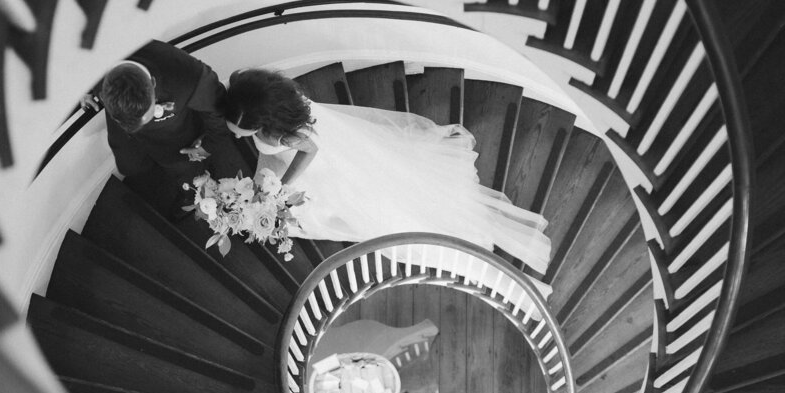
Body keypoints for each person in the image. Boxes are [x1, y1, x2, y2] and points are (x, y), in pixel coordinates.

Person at [222, 69, 552, 275]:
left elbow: (311, 149)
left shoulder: (285, 133)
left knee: (358, 204)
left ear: (264, 124)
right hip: (325, 145)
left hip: (326, 166)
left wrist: (284, 183)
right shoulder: (266, 99)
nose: (234, 136)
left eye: (239, 131)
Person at [89, 41, 232, 219]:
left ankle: (190, 194)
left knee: (184, 169)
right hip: (142, 146)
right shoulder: (93, 63)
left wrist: (209, 145)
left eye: (147, 117)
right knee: (133, 166)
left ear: (154, 84)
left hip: (178, 140)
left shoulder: (186, 77)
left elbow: (217, 107)